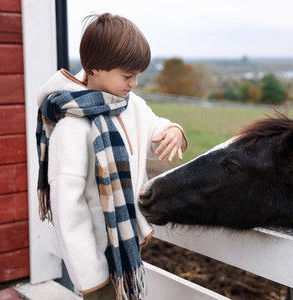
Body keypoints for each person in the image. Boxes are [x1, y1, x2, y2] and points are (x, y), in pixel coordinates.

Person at [36, 13, 188, 300]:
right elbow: (68, 209)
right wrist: (89, 274)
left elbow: (154, 129)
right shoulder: (71, 128)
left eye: (137, 75)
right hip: (95, 259)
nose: (134, 83)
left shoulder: (131, 105)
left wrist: (173, 130)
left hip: (124, 242)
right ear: (94, 68)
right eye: (127, 75)